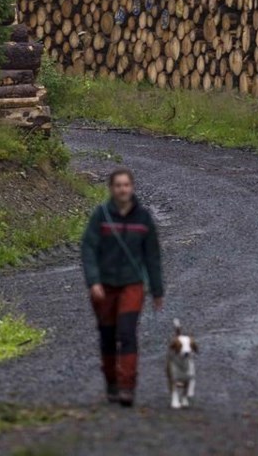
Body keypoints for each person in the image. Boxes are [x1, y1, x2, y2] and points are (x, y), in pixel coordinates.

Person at [80, 167, 164, 407]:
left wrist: (157, 291)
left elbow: (153, 256)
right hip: (104, 287)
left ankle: (127, 386)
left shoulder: (144, 218)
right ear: (111, 189)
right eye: (118, 185)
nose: (122, 189)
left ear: (132, 188)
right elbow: (88, 249)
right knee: (107, 336)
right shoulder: (101, 215)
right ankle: (112, 383)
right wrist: (93, 280)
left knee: (127, 333)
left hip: (132, 285)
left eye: (126, 185)